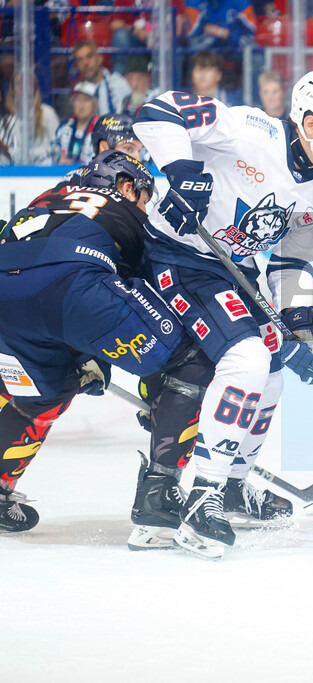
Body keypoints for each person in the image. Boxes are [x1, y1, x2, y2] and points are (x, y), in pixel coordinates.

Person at [133, 70, 313, 558]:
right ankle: (203, 495)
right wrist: (178, 169)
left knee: (275, 368)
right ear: (310, 121)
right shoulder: (248, 129)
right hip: (176, 256)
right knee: (247, 361)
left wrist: (299, 317)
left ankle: (234, 483)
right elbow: (158, 111)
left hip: (232, 270)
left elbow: (291, 260)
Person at [0, 150, 214, 548]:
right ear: (126, 185)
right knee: (188, 357)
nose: (145, 205)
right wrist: (163, 401)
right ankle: (159, 495)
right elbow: (147, 297)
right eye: (144, 196)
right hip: (72, 284)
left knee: (43, 395)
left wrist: (85, 358)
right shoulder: (127, 212)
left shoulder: (48, 196)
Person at [0, 73, 59, 166]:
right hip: (13, 175)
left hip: (44, 174)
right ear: (13, 89)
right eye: (19, 83)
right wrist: (6, 151)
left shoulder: (48, 113)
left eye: (28, 83)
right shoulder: (7, 120)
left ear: (34, 87)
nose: (24, 87)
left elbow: (57, 148)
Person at [71, 39, 132, 117]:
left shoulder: (117, 83)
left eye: (89, 56)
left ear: (100, 59)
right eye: (80, 60)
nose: (85, 63)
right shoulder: (77, 92)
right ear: (77, 65)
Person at [55, 81, 100, 165]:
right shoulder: (63, 128)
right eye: (78, 99)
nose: (81, 105)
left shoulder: (100, 129)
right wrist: (58, 160)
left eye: (86, 100)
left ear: (95, 104)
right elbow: (51, 155)